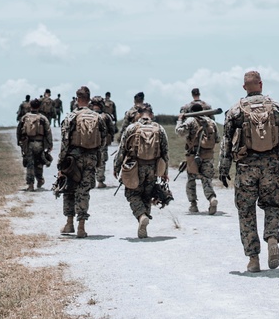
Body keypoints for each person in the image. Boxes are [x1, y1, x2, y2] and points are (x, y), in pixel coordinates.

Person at [219, 70, 279, 272]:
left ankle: (253, 259)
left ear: (245, 87)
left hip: (246, 167)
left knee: (246, 211)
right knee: (272, 205)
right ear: (261, 85)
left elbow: (226, 143)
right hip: (271, 166)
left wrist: (223, 168)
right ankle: (272, 238)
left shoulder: (235, 110)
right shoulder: (277, 108)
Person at [113, 103, 169, 239]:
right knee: (147, 195)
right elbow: (165, 152)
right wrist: (164, 172)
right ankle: (144, 223)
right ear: (151, 114)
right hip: (152, 168)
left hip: (134, 167)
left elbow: (122, 150)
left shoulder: (132, 128)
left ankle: (141, 216)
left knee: (132, 194)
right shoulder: (159, 129)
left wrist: (117, 166)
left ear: (138, 114)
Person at [58, 86, 105, 238]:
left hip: (73, 158)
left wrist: (61, 162)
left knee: (69, 189)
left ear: (77, 99)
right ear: (89, 99)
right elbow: (103, 140)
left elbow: (65, 141)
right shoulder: (98, 117)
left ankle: (69, 222)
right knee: (84, 191)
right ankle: (81, 227)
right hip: (90, 158)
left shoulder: (71, 117)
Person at [175, 102, 219, 214]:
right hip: (208, 156)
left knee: (191, 179)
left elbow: (179, 132)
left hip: (193, 156)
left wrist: (180, 120)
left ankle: (193, 205)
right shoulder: (211, 122)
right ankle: (211, 199)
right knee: (207, 180)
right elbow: (217, 139)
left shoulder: (190, 121)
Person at [16, 98, 53, 191]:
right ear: (39, 107)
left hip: (28, 144)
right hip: (39, 144)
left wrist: (19, 141)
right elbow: (48, 132)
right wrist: (50, 145)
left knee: (30, 164)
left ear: (30, 106)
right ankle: (40, 180)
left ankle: (31, 184)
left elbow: (19, 130)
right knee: (39, 162)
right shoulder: (43, 118)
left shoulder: (25, 117)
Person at [89, 95, 117, 188]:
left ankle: (90, 181)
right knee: (101, 162)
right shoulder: (106, 116)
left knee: (90, 161)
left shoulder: (87, 115)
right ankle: (100, 181)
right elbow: (112, 130)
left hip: (88, 144)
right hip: (102, 143)